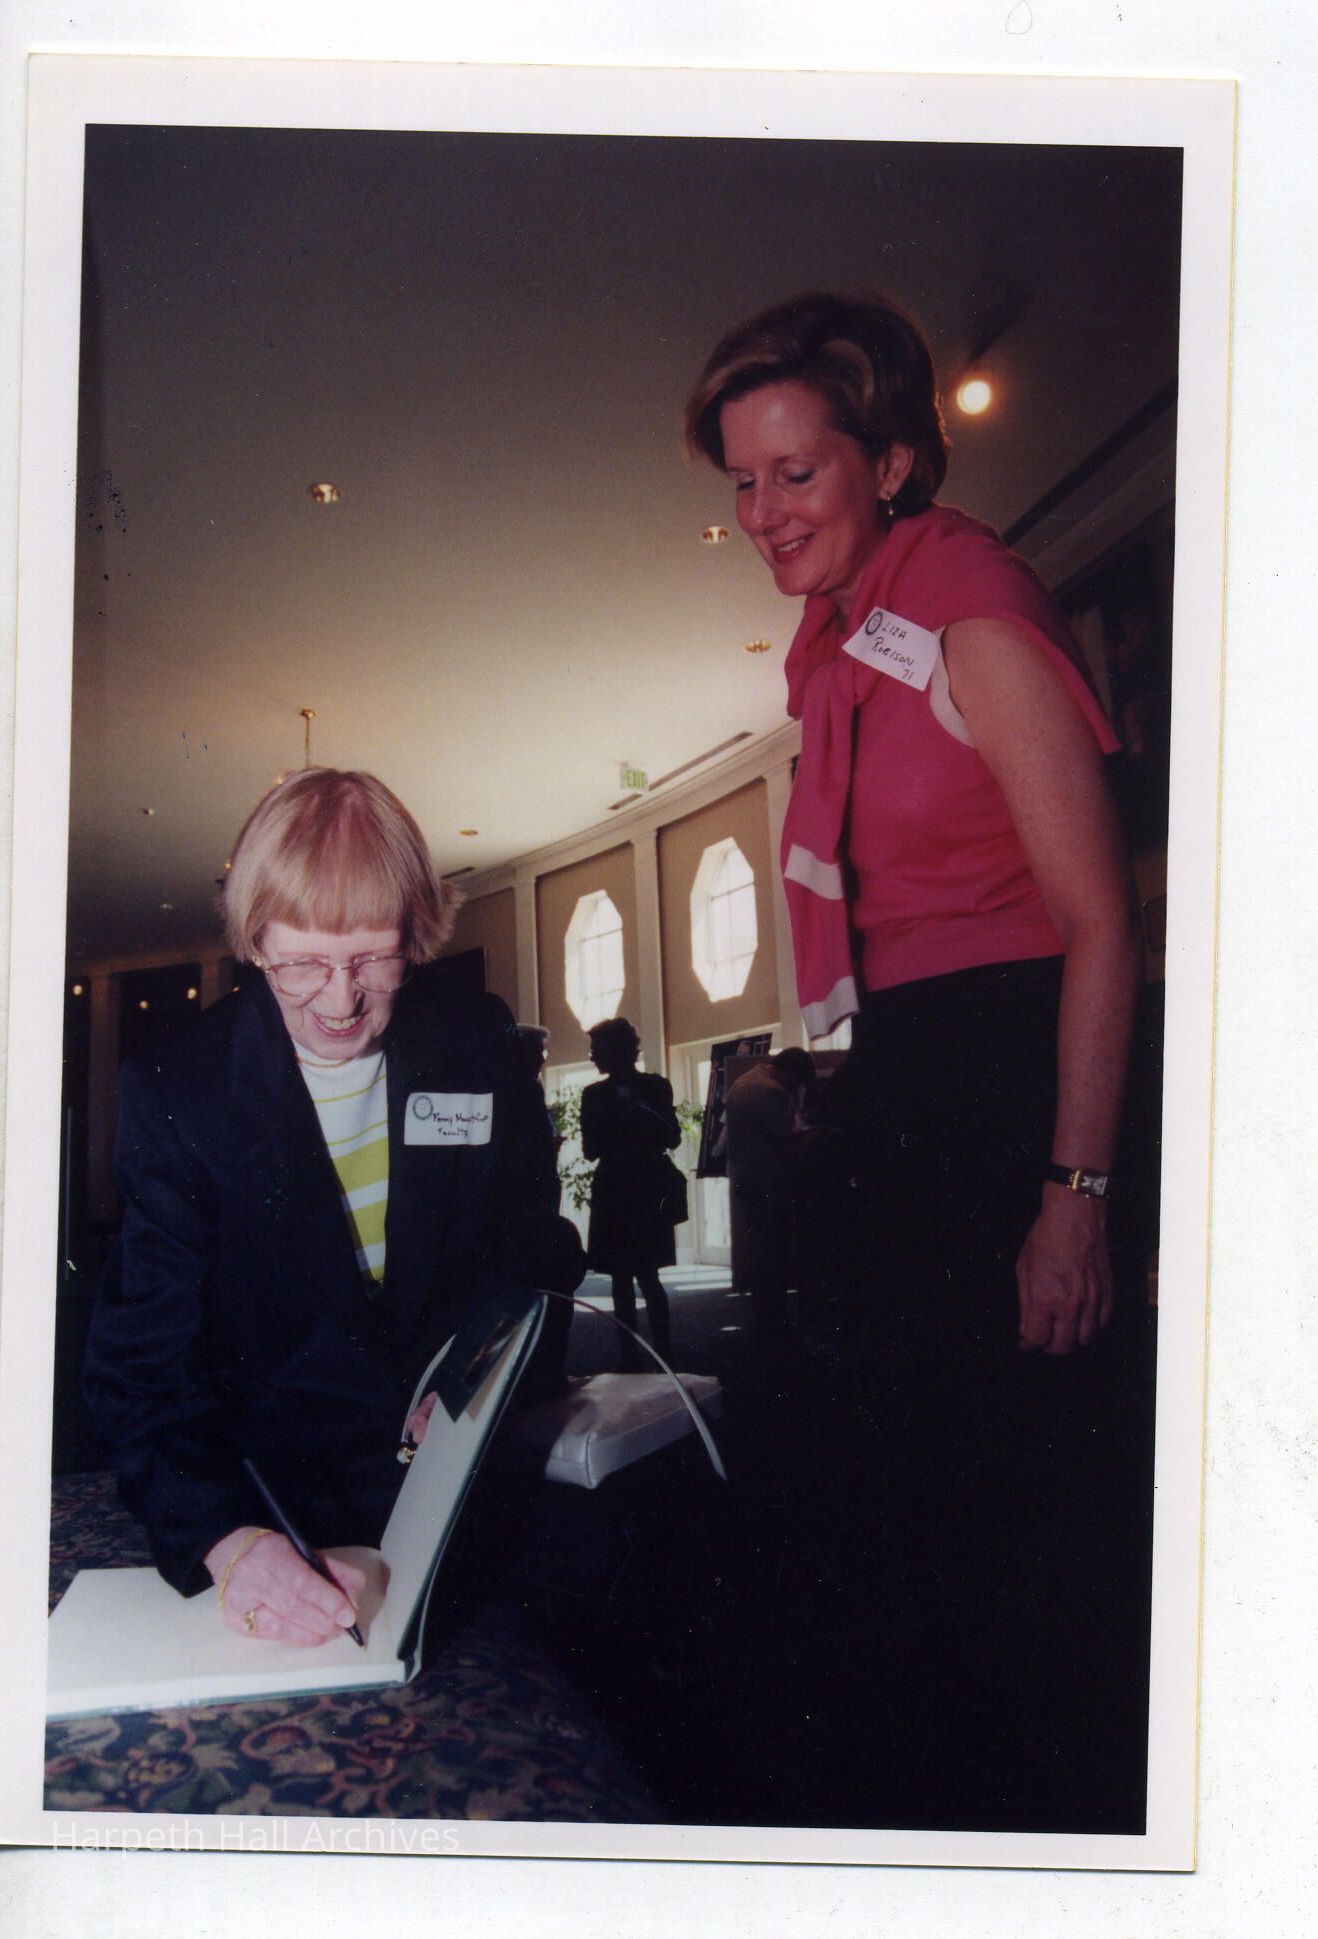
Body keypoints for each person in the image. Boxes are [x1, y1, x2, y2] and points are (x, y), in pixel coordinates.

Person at [683, 293, 1152, 1828]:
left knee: (1019, 1516)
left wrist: (1073, 1191)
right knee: (911, 1508)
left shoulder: (971, 610)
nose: (762, 512)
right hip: (910, 1080)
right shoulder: (833, 640)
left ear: (886, 462)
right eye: (742, 481)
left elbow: (1099, 924)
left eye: (795, 472)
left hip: (1016, 1077)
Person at [85, 768, 583, 1647]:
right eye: (304, 964)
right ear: (255, 941)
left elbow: (536, 1253)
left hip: (464, 1503)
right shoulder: (181, 1092)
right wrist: (229, 1541)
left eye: (373, 959)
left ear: (415, 935)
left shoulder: (478, 1047)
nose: (342, 999)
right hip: (280, 1518)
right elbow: (138, 1371)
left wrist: (475, 1371)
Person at [579, 1017, 682, 1367]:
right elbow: (592, 1148)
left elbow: (671, 1136)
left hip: (626, 1188)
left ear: (615, 1050)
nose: (592, 1056)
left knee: (633, 1277)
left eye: (596, 1049)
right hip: (636, 1187)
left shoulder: (599, 1095)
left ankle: (645, 1353)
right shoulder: (652, 1087)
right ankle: (648, 1352)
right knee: (636, 1276)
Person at [723, 1047, 816, 1339]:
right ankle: (775, 1319)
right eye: (796, 1083)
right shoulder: (772, 1091)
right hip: (768, 1180)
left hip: (744, 1176)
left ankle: (764, 1316)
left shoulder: (744, 1081)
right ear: (790, 1072)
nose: (795, 1089)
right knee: (774, 1250)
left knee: (761, 1248)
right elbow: (784, 1141)